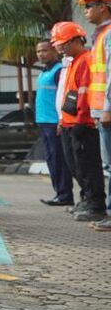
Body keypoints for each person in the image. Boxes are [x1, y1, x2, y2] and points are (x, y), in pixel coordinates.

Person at [51, 21, 106, 222]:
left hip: (81, 124)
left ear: (76, 40)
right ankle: (87, 199)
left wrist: (82, 120)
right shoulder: (72, 62)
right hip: (69, 123)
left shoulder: (85, 60)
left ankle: (95, 204)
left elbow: (84, 94)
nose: (60, 48)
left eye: (64, 43)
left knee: (88, 166)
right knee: (76, 166)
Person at [78, 0, 111, 231]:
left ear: (104, 6)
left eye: (89, 5)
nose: (86, 11)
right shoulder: (101, 35)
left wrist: (107, 108)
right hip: (101, 111)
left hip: (107, 111)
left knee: (109, 167)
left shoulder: (108, 34)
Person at [33, 40, 70, 206]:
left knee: (59, 159)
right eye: (39, 51)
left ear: (54, 51)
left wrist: (61, 120)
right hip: (43, 122)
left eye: (45, 50)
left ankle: (64, 194)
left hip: (54, 122)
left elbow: (63, 96)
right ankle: (59, 193)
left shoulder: (58, 71)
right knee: (51, 159)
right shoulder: (43, 72)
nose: (41, 54)